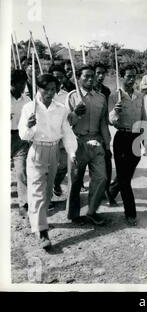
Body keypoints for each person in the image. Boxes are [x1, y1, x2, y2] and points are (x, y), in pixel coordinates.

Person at [18, 74, 77, 249]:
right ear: (39, 88)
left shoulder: (61, 108)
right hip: (37, 150)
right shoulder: (29, 108)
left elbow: (66, 132)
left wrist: (72, 153)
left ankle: (36, 218)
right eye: (47, 90)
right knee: (36, 190)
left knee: (47, 192)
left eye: (53, 89)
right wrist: (29, 125)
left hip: (54, 151)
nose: (50, 93)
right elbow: (23, 135)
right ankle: (42, 231)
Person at [66, 65, 111, 225]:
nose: (90, 79)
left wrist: (107, 144)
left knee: (101, 177)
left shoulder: (101, 98)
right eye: (86, 76)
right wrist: (75, 114)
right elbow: (66, 124)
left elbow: (104, 123)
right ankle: (74, 214)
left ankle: (91, 211)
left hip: (96, 142)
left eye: (92, 76)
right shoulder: (72, 97)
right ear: (78, 78)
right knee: (76, 180)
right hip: (77, 142)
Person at [108, 64, 147, 226]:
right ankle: (130, 212)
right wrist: (115, 112)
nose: (131, 80)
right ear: (122, 77)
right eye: (128, 76)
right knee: (125, 180)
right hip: (122, 137)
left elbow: (144, 118)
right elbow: (110, 120)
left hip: (137, 137)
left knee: (126, 174)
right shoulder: (114, 96)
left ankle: (111, 190)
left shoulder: (140, 96)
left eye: (134, 77)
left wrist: (146, 140)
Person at [92, 62, 117, 206]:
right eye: (98, 73)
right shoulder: (84, 90)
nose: (100, 76)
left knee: (107, 160)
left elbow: (107, 114)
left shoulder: (106, 91)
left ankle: (106, 191)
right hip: (87, 132)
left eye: (103, 73)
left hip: (102, 130)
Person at [48, 64, 72, 198]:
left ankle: (56, 183)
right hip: (47, 136)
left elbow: (69, 115)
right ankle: (47, 197)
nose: (57, 80)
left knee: (63, 165)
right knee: (48, 166)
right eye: (55, 77)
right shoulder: (41, 94)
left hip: (62, 134)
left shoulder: (66, 95)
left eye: (60, 77)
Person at [11, 69, 31, 217]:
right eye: (18, 83)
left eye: (23, 83)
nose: (21, 86)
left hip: (20, 139)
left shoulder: (27, 101)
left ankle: (23, 203)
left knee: (22, 171)